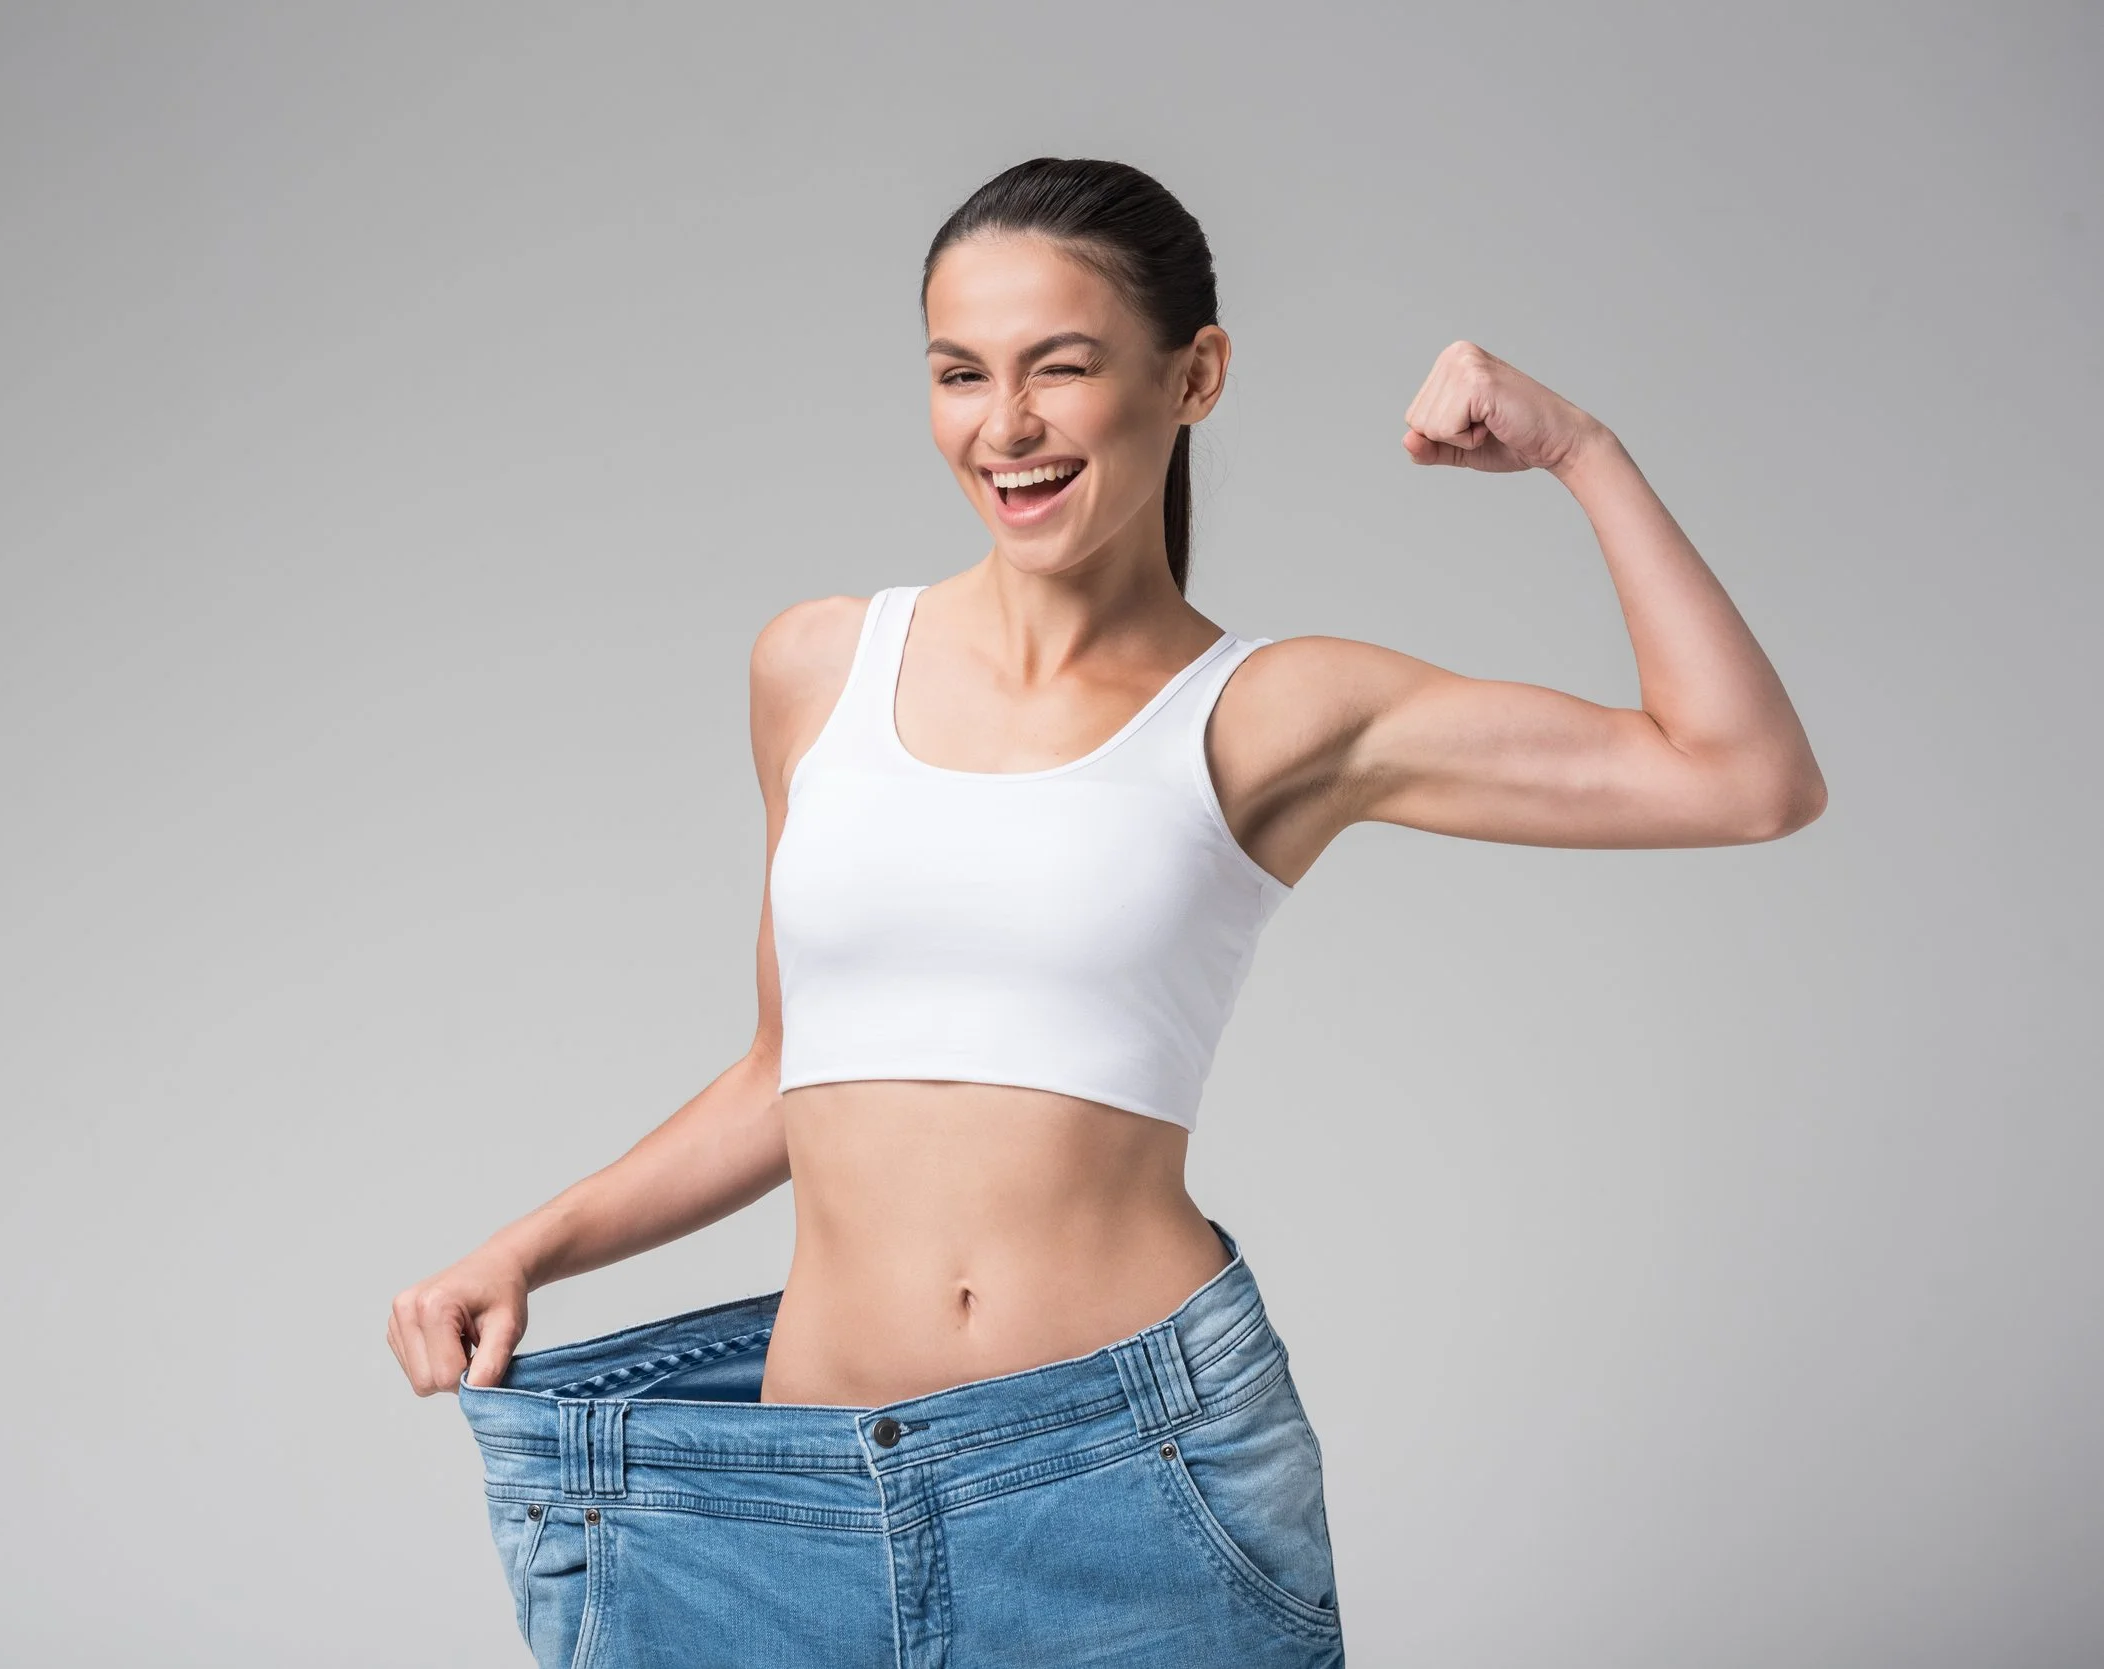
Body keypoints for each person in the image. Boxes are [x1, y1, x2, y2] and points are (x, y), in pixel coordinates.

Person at [387, 156, 1826, 1669]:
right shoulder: (817, 667)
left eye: (1059, 369)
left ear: (1193, 374)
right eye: (960, 374)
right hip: (784, 1494)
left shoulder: (1276, 714)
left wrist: (1582, 451)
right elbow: (783, 1075)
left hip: (1124, 1488)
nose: (1002, 427)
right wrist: (529, 1248)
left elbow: (1743, 778)